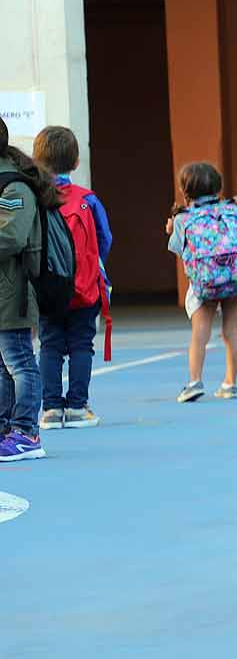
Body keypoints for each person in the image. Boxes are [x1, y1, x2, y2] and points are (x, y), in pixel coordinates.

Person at [32, 126, 110, 430]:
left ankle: (50, 408)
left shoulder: (36, 198)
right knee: (81, 344)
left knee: (49, 345)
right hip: (84, 287)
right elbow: (105, 239)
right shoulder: (87, 200)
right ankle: (78, 406)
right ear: (76, 162)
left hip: (48, 287)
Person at [167, 162, 237, 402]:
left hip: (206, 282)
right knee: (231, 331)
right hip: (236, 277)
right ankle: (230, 383)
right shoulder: (233, 209)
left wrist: (172, 228)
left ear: (186, 191)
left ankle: (195, 381)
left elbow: (178, 248)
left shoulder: (184, 218)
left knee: (200, 332)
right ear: (218, 187)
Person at [0, 121, 50, 464]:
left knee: (19, 360)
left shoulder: (14, 187)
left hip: (12, 291)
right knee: (2, 365)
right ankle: (7, 430)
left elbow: (12, 237)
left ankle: (26, 432)